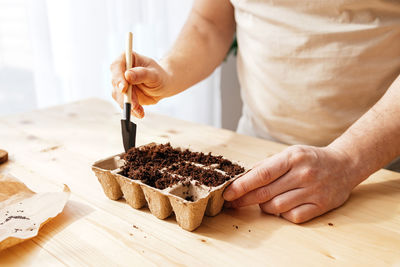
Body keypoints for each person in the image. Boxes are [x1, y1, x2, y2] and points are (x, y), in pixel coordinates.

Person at [110, 0, 400, 223]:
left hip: (376, 170)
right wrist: (168, 73)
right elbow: (210, 21)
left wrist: (348, 162)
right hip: (254, 155)